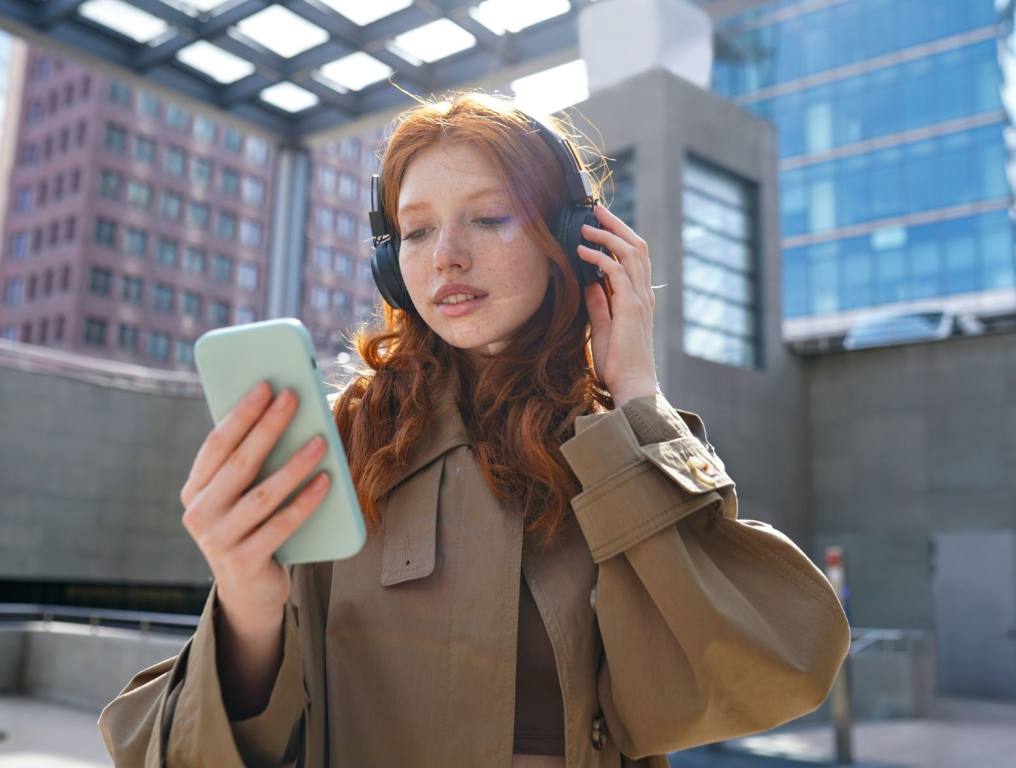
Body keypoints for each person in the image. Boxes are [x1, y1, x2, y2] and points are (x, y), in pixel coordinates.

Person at [98, 92, 850, 768]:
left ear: (574, 238)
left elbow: (764, 675)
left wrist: (637, 400)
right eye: (416, 232)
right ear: (391, 263)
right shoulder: (348, 436)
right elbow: (203, 747)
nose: (447, 258)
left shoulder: (615, 444)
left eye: (489, 219)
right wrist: (245, 604)